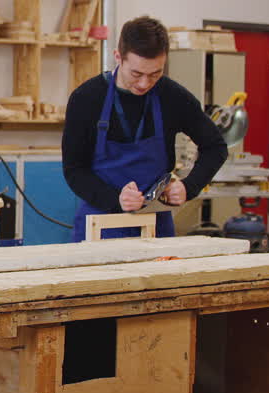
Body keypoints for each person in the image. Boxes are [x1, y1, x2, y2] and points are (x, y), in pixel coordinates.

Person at [63, 15, 228, 240]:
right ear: (118, 57)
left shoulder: (173, 97)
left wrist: (189, 187)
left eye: (155, 74)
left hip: (156, 225)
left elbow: (215, 147)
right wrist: (114, 199)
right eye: (137, 74)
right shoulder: (87, 99)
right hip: (100, 221)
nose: (144, 84)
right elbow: (74, 169)